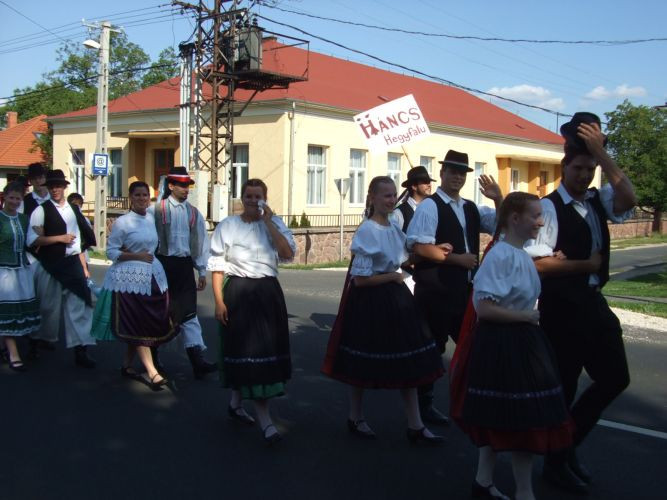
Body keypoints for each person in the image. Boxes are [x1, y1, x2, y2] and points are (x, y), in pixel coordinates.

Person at [526, 112, 637, 494]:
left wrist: (602, 154)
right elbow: (535, 265)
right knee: (565, 389)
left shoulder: (597, 200)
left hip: (592, 304)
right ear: (564, 166)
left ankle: (566, 446)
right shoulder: (549, 208)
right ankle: (556, 462)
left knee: (615, 378)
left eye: (590, 169)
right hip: (560, 309)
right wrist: (583, 264)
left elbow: (629, 197)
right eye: (578, 168)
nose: (584, 176)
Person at [454, 192, 573, 500]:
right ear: (515, 219)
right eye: (535, 215)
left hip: (522, 339)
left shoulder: (521, 254)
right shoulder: (500, 255)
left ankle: (484, 483)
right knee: (522, 417)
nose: (541, 221)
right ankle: (523, 492)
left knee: (509, 415)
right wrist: (525, 316)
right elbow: (484, 308)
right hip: (502, 341)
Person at [324, 176, 446, 443]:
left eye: (393, 195)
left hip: (397, 298)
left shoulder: (393, 228)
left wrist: (436, 250)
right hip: (370, 300)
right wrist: (392, 277)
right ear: (373, 198)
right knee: (362, 361)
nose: (391, 200)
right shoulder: (367, 231)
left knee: (409, 359)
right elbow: (360, 280)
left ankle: (415, 424)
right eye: (385, 195)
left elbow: (404, 258)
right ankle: (355, 417)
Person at [407, 150, 503, 425]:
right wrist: (457, 259)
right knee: (432, 348)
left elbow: (502, 225)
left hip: (463, 291)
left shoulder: (470, 207)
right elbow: (418, 246)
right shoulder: (430, 205)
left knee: (472, 347)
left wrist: (498, 198)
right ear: (442, 173)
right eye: (452, 171)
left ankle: (473, 399)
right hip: (435, 289)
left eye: (462, 173)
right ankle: (424, 405)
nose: (457, 177)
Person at [208, 178, 296, 445]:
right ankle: (266, 421)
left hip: (268, 292)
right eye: (248, 196)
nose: (253, 200)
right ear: (241, 197)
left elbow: (287, 254)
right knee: (248, 351)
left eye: (258, 196)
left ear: (265, 198)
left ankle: (235, 404)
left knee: (262, 351)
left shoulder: (275, 224)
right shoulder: (229, 225)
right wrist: (219, 301)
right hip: (240, 291)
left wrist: (269, 222)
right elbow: (217, 264)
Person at [91, 181, 176, 389]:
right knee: (137, 323)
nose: (141, 199)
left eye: (145, 195)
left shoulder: (150, 218)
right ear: (131, 197)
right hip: (128, 280)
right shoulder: (123, 222)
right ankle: (152, 372)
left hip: (152, 277)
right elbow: (111, 252)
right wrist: (135, 255)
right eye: (137, 195)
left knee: (143, 322)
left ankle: (127, 365)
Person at [26, 169, 97, 367]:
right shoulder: (41, 210)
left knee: (80, 306)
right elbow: (33, 240)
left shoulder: (73, 210)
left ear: (65, 187)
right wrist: (59, 238)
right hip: (50, 264)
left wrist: (83, 264)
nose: (55, 189)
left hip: (72, 263)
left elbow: (83, 236)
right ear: (48, 188)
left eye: (58, 186)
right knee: (47, 307)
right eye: (51, 186)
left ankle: (81, 349)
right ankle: (36, 341)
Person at [152, 166, 217, 380]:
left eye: (188, 185)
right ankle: (153, 357)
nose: (186, 189)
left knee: (189, 312)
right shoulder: (157, 209)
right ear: (171, 186)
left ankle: (197, 360)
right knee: (161, 312)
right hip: (161, 265)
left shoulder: (193, 213)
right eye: (181, 185)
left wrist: (201, 271)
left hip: (183, 266)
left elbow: (200, 243)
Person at [0, 182, 40, 371]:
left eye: (18, 198)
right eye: (11, 198)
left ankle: (4, 348)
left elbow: (32, 240)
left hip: (21, 271)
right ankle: (13, 353)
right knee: (7, 313)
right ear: (5, 197)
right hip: (3, 272)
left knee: (14, 313)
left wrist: (54, 236)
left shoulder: (24, 219)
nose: (15, 201)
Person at [393, 165, 436, 232]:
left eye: (429, 182)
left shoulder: (432, 209)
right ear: (414, 186)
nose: (429, 185)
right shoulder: (399, 213)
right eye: (425, 182)